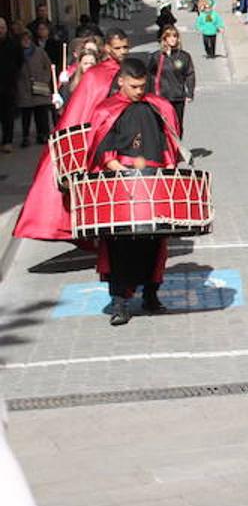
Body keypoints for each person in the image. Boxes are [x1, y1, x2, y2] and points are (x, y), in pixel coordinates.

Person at [84, 58, 183, 325]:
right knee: (119, 245)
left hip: (153, 182)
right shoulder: (107, 110)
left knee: (154, 241)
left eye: (142, 86)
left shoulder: (154, 107)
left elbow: (166, 144)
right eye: (134, 86)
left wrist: (168, 169)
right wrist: (126, 174)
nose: (140, 91)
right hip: (121, 185)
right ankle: (119, 303)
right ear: (121, 82)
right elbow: (104, 152)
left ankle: (151, 295)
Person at [13, 30, 130, 242]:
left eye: (125, 47)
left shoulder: (128, 70)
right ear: (107, 48)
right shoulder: (95, 75)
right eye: (118, 48)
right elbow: (80, 111)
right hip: (98, 140)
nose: (122, 52)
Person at [147, 25, 195, 130]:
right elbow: (149, 75)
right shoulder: (157, 56)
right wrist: (149, 94)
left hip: (178, 97)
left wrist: (190, 93)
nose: (173, 39)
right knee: (162, 126)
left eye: (175, 36)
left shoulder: (184, 56)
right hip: (162, 97)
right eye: (169, 36)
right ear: (164, 39)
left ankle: (176, 141)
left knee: (177, 126)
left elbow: (190, 74)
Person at [14, 29, 54, 148]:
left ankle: (43, 134)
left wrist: (45, 79)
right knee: (26, 113)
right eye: (23, 39)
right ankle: (25, 136)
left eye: (28, 39)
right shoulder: (17, 53)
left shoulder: (39, 51)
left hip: (40, 84)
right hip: (23, 86)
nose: (26, 41)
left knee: (41, 111)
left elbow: (48, 66)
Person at [0, 18, 21, 152]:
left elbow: (20, 61)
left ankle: (7, 141)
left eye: (2, 27)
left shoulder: (13, 44)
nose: (0, 30)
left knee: (8, 114)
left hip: (8, 84)